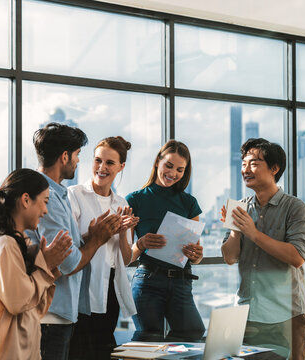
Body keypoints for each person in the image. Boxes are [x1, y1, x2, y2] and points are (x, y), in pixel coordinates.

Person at [33, 122, 123, 360]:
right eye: (77, 155)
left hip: (60, 314)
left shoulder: (57, 194)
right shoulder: (50, 198)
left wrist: (89, 236)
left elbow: (65, 248)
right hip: (52, 315)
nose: (78, 161)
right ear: (64, 156)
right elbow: (69, 262)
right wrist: (97, 239)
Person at [220, 138, 305, 360]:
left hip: (285, 315)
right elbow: (229, 257)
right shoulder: (240, 207)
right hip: (246, 313)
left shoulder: (296, 208)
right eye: (243, 164)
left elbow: (297, 257)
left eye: (254, 163)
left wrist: (253, 233)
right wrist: (236, 230)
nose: (246, 169)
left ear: (274, 168)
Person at [0, 168, 73, 360]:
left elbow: (35, 309)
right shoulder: (5, 244)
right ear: (25, 200)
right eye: (45, 202)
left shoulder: (21, 243)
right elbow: (18, 301)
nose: (46, 211)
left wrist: (50, 268)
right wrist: (45, 265)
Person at [126, 139, 205, 342]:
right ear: (157, 162)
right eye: (168, 166)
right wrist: (140, 244)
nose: (173, 174)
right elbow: (125, 257)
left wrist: (196, 255)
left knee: (193, 333)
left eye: (180, 169)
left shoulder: (189, 203)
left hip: (181, 281)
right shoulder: (135, 200)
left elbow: (195, 255)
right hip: (148, 281)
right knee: (149, 339)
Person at [68, 136, 139, 359]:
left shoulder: (122, 204)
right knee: (80, 348)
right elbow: (69, 244)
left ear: (121, 167)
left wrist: (121, 234)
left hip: (111, 286)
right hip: (83, 281)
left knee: (103, 349)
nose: (101, 167)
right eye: (97, 160)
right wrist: (97, 232)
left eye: (109, 163)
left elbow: (126, 259)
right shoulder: (75, 194)